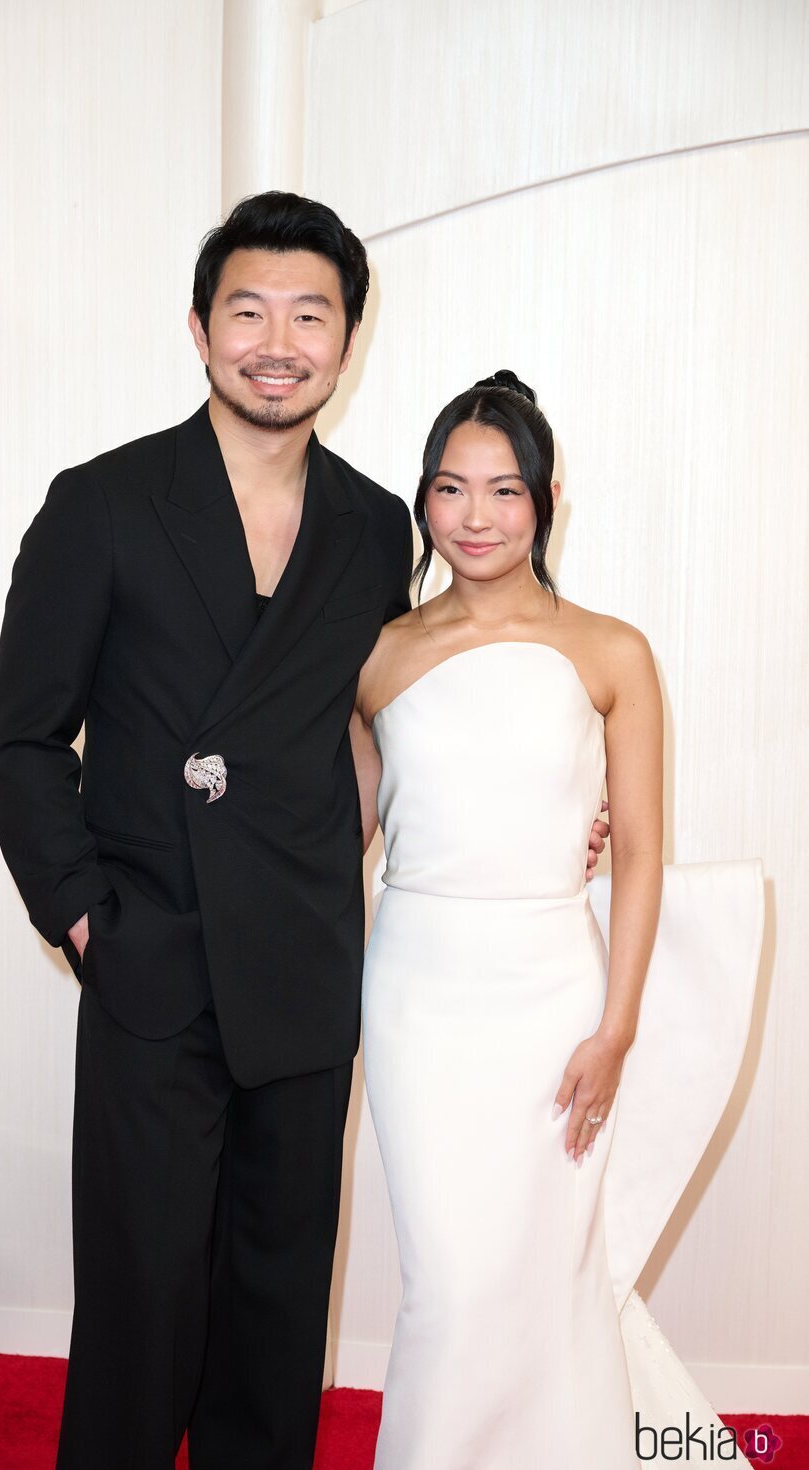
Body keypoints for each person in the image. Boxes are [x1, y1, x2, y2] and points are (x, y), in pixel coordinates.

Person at [0, 198, 608, 1470]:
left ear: (348, 337)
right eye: (248, 311)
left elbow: (397, 709)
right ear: (202, 328)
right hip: (152, 962)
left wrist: (528, 813)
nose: (278, 342)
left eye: (309, 315)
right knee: (139, 1311)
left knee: (275, 1320)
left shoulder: (377, 527)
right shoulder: (101, 503)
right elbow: (23, 737)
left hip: (306, 967)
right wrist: (83, 913)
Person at [352, 372, 763, 1468]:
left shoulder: (609, 650)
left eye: (502, 490)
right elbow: (341, 837)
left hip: (551, 993)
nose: (474, 517)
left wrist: (615, 1028)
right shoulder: (378, 651)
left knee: (546, 1271)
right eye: (449, 489)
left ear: (545, 501)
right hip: (415, 996)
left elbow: (635, 852)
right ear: (423, 500)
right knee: (447, 1279)